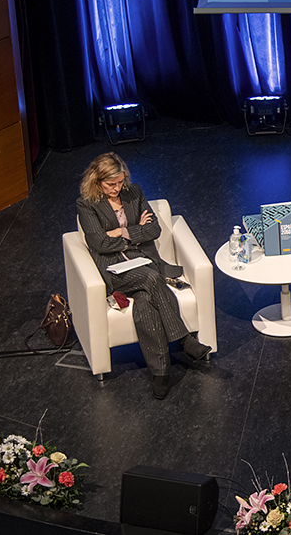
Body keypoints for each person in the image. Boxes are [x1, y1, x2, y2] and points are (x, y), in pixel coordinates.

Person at [76, 153, 211, 399]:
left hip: (146, 263)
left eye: (120, 182)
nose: (117, 188)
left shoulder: (134, 192)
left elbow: (154, 229)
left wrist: (121, 231)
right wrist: (135, 232)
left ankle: (161, 374)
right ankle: (184, 340)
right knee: (150, 279)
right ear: (97, 181)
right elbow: (100, 244)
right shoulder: (87, 205)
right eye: (110, 185)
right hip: (116, 271)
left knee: (145, 303)